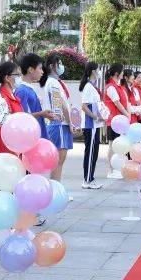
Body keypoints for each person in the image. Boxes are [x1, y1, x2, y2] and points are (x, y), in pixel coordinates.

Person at [42, 52, 75, 182]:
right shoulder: (53, 83)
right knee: (58, 160)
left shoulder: (55, 82)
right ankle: (56, 189)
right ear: (52, 66)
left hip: (60, 124)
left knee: (59, 160)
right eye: (59, 63)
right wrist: (70, 124)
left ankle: (57, 188)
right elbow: (60, 104)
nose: (61, 66)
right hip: (59, 124)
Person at [15, 53, 54, 144]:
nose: (42, 72)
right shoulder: (22, 90)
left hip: (37, 136)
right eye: (40, 68)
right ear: (31, 70)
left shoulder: (29, 88)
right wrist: (42, 114)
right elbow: (22, 117)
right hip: (30, 139)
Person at [0, 61, 23, 157]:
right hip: (4, 151)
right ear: (7, 78)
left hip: (14, 150)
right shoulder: (0, 99)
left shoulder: (13, 97)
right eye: (17, 75)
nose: (20, 77)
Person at [78, 62, 104, 189]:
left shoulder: (92, 86)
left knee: (94, 152)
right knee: (91, 153)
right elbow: (84, 106)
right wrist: (95, 117)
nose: (99, 72)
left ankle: (90, 178)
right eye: (98, 69)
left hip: (95, 125)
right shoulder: (88, 87)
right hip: (91, 125)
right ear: (93, 71)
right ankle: (87, 180)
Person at [103, 64, 129, 179]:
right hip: (114, 121)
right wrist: (127, 114)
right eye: (122, 72)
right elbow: (117, 103)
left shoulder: (118, 86)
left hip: (120, 122)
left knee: (119, 146)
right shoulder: (110, 87)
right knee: (112, 146)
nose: (123, 74)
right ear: (117, 73)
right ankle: (111, 170)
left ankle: (117, 169)